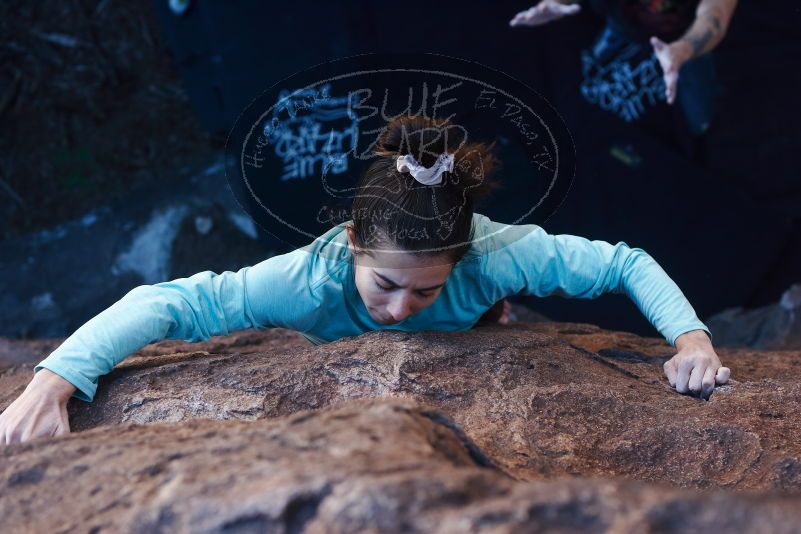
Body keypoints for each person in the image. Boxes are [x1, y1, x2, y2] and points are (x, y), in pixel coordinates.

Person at [0, 115, 730, 445]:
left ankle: (484, 313)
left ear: (462, 257)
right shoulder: (303, 282)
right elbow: (167, 301)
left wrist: (690, 340)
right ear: (350, 245)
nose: (398, 307)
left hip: (485, 322)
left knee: (486, 309)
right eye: (383, 284)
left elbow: (623, 261)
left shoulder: (499, 253)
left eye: (423, 291)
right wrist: (54, 381)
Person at [510, 0, 737, 141]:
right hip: (624, 26)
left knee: (699, 121)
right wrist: (554, 3)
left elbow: (714, 17)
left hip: (682, 45)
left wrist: (683, 51)